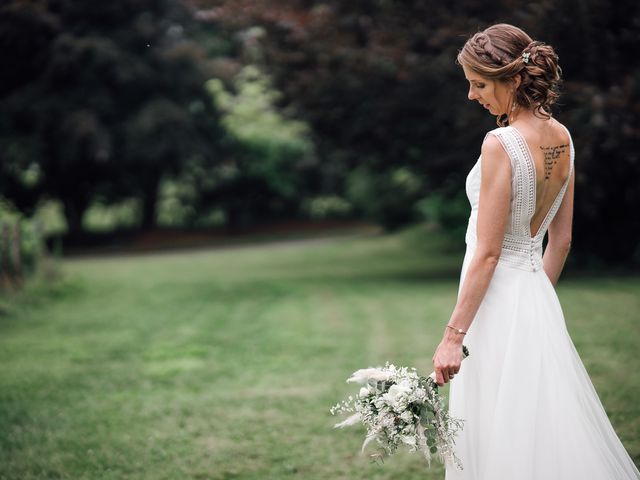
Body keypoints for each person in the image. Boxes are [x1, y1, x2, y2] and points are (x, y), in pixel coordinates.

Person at [430, 23, 640, 479]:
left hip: (494, 304)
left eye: (479, 84)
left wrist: (453, 336)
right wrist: (533, 305)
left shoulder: (500, 143)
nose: (471, 95)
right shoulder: (562, 137)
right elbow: (559, 241)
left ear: (513, 80)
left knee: (499, 430)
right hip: (534, 299)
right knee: (536, 426)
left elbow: (487, 254)